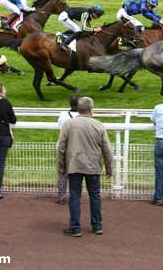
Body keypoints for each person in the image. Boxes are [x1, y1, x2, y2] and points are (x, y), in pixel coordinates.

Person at [57, 97, 113, 237]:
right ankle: (97, 225)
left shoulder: (69, 124)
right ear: (91, 110)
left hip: (74, 165)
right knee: (95, 195)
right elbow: (107, 149)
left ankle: (75, 227)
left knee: (75, 194)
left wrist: (61, 168)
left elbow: (61, 147)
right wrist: (109, 167)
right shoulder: (99, 125)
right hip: (93, 165)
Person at [56, 93, 80, 204]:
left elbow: (59, 127)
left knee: (62, 173)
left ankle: (61, 197)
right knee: (76, 174)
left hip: (63, 147)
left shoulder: (63, 114)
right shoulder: (83, 117)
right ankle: (74, 197)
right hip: (77, 149)